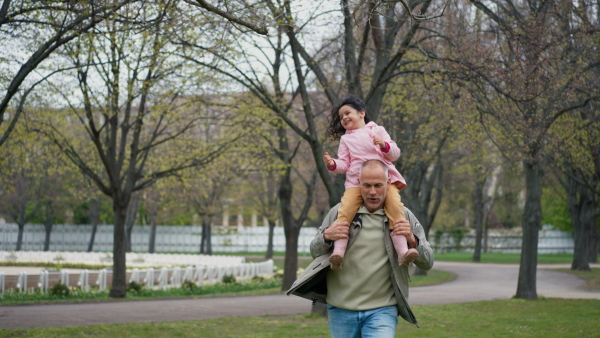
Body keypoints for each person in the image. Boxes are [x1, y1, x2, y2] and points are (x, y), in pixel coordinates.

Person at [287, 159, 434, 337]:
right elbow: (314, 252)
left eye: (378, 185)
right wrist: (326, 237)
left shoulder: (404, 216)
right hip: (341, 309)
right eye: (367, 185)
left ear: (388, 183)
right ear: (358, 183)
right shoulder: (338, 213)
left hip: (382, 310)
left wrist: (412, 240)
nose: (372, 192)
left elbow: (427, 262)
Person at [323, 94, 417, 270]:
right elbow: (344, 164)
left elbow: (395, 154)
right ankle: (338, 252)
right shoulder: (346, 139)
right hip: (355, 183)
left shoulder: (378, 130)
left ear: (361, 113)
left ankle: (403, 252)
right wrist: (333, 164)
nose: (343, 118)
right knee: (345, 211)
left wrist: (384, 146)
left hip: (384, 181)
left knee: (396, 209)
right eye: (341, 117)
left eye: (347, 113)